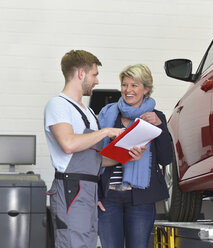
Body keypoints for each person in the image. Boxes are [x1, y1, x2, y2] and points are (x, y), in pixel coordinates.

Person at [44, 50, 145, 248]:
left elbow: (95, 160)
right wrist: (106, 131)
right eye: (94, 75)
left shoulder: (88, 111)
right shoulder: (58, 105)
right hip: (71, 189)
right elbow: (69, 144)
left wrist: (127, 157)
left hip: (89, 191)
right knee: (73, 243)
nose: (97, 81)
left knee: (87, 243)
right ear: (81, 73)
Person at [97, 64, 173, 248]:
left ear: (146, 89)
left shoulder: (156, 117)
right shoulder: (107, 114)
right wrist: (94, 194)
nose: (128, 90)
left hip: (140, 199)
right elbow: (91, 157)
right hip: (108, 197)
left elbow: (166, 158)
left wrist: (161, 126)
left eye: (134, 85)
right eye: (125, 85)